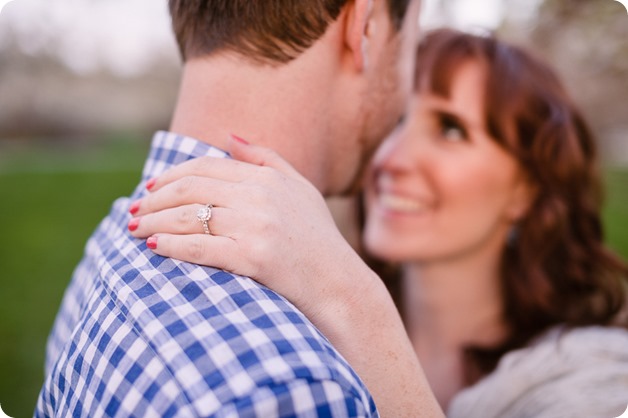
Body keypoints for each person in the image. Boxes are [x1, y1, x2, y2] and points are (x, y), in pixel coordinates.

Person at [128, 29, 628, 417]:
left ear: (526, 190)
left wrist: (353, 300)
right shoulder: (294, 335)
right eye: (398, 122)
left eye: (451, 130)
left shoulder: (598, 384)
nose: (392, 157)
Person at [36, 1, 445, 417]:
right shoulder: (293, 389)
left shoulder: (106, 247)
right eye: (412, 38)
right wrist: (363, 309)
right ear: (365, 27)